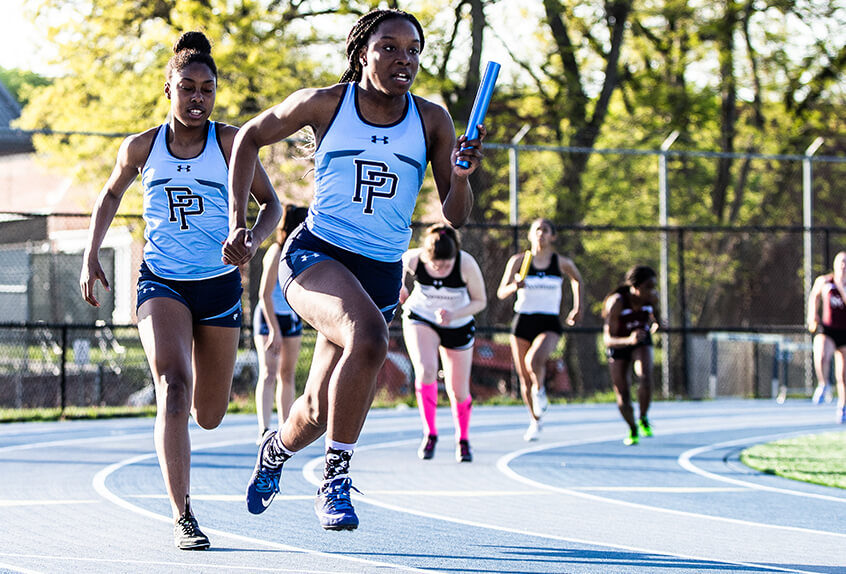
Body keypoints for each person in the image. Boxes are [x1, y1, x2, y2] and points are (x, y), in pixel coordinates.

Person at [227, 9, 486, 531]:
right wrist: (242, 223)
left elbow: (454, 215)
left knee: (321, 409)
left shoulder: (432, 119)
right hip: (317, 256)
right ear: (363, 52)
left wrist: (460, 177)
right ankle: (335, 479)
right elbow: (246, 139)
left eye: (413, 50)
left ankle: (275, 449)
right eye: (389, 47)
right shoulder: (327, 103)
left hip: (381, 273)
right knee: (368, 336)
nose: (403, 59)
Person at [79, 32, 281, 550]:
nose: (197, 98)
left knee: (208, 415)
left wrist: (253, 242)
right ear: (168, 87)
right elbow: (108, 194)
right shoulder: (142, 146)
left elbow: (273, 208)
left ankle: (195, 423)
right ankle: (183, 514)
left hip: (217, 288)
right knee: (172, 385)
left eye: (207, 89)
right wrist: (91, 252)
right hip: (161, 281)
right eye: (187, 87)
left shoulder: (234, 143)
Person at [399, 224, 487, 462]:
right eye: (435, 264)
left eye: (446, 265)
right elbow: (394, 265)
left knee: (458, 390)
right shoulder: (415, 259)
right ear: (427, 256)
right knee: (425, 371)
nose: (440, 269)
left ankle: (463, 438)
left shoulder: (466, 264)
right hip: (421, 317)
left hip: (457, 322)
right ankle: (430, 433)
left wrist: (453, 315)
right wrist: (399, 287)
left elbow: (480, 301)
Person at [496, 218, 583, 441]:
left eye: (545, 230)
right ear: (530, 234)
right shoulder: (519, 261)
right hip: (523, 320)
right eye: (537, 230)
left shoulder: (560, 262)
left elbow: (577, 280)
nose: (541, 234)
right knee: (524, 378)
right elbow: (501, 292)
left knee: (534, 361)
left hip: (549, 322)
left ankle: (541, 390)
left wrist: (577, 307)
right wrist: (515, 285)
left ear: (553, 236)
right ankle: (535, 421)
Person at [253, 205, 310, 444]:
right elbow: (264, 294)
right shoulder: (276, 252)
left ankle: (284, 428)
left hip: (292, 318)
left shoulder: (302, 250)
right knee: (269, 373)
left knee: (287, 374)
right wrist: (274, 329)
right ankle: (264, 429)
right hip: (269, 317)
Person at [602, 266, 660, 445]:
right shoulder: (617, 302)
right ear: (635, 286)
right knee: (623, 393)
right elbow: (607, 339)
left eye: (654, 287)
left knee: (645, 377)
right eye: (648, 287)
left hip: (640, 341)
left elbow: (656, 320)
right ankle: (633, 428)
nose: (652, 291)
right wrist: (628, 340)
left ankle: (643, 417)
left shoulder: (651, 299)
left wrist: (658, 325)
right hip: (620, 344)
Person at [806, 251, 846, 423]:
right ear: (835, 265)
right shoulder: (824, 281)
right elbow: (814, 296)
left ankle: (842, 406)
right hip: (828, 329)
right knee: (821, 354)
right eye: (841, 262)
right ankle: (823, 384)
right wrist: (812, 315)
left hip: (844, 332)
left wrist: (841, 287)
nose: (844, 266)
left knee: (843, 374)